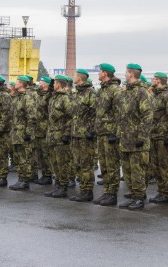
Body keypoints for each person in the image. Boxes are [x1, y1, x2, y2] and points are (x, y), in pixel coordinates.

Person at [118, 63, 153, 210]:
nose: (125, 75)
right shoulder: (127, 92)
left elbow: (147, 116)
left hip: (137, 141)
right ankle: (133, 194)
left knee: (138, 170)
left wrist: (142, 136)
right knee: (127, 170)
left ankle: (139, 197)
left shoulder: (142, 92)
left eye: (126, 72)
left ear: (131, 74)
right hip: (125, 139)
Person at [93, 63, 122, 206]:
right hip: (101, 132)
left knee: (112, 165)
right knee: (103, 165)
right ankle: (106, 191)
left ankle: (112, 194)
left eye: (99, 72)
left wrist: (115, 133)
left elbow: (119, 113)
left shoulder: (115, 90)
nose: (98, 74)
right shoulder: (102, 90)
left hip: (110, 133)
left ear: (105, 73)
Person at [148, 72, 168, 204]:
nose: (151, 80)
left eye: (153, 79)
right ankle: (160, 191)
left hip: (163, 137)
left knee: (165, 165)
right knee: (155, 165)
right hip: (154, 135)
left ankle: (166, 192)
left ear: (158, 81)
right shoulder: (154, 95)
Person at [69, 69, 97, 202]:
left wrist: (91, 130)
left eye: (75, 75)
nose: (73, 77)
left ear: (80, 78)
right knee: (77, 164)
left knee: (86, 164)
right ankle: (82, 189)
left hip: (86, 135)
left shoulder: (90, 93)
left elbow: (95, 113)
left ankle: (87, 191)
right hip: (76, 134)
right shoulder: (77, 93)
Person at [44, 75, 72, 198]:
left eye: (54, 83)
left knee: (62, 164)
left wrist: (66, 134)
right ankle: (58, 185)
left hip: (60, 136)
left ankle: (63, 187)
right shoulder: (54, 98)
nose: (53, 85)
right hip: (52, 136)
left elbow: (70, 117)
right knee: (54, 163)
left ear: (59, 84)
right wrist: (50, 89)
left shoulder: (65, 99)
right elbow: (43, 103)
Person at [8, 76, 36, 191]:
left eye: (17, 82)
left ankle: (25, 181)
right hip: (16, 133)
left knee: (25, 157)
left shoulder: (27, 98)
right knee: (18, 157)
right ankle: (21, 178)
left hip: (23, 133)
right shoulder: (16, 98)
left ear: (21, 84)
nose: (15, 83)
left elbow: (32, 117)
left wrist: (28, 133)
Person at [33, 77, 53, 185]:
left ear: (45, 84)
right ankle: (44, 174)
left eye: (40, 82)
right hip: (38, 129)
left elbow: (50, 95)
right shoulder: (39, 95)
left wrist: (50, 88)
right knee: (40, 153)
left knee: (46, 154)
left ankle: (48, 175)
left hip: (45, 129)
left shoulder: (48, 96)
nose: (39, 84)